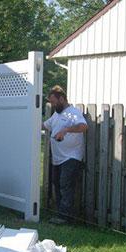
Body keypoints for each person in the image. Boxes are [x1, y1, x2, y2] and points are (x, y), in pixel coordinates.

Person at [43, 85, 88, 224]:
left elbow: (83, 126)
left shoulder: (73, 112)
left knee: (65, 185)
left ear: (61, 98)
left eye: (54, 102)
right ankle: (60, 214)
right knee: (57, 184)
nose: (53, 105)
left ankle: (64, 218)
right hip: (58, 158)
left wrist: (66, 130)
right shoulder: (56, 114)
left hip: (71, 157)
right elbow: (45, 126)